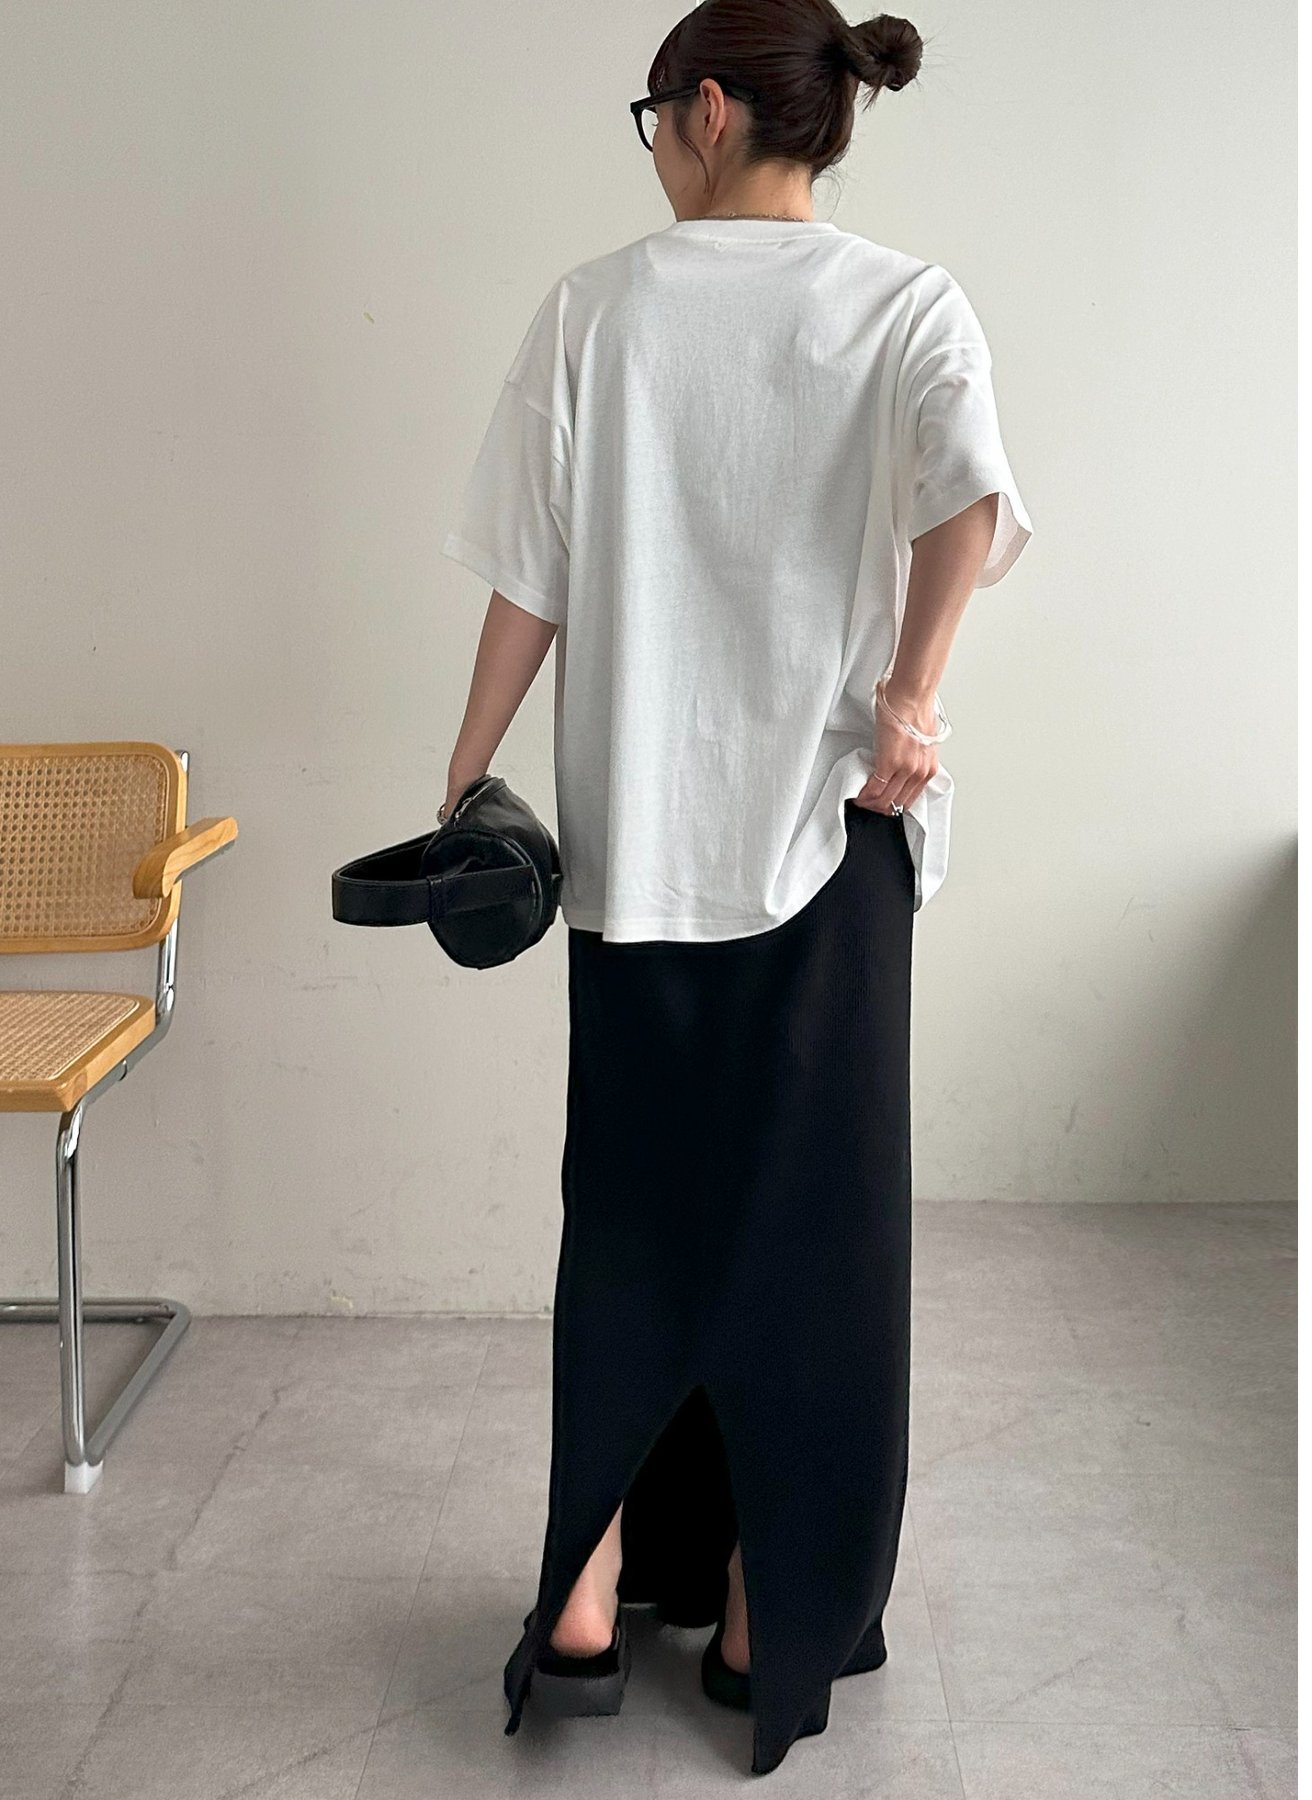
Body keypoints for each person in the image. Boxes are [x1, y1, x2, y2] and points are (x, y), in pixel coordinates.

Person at [437, 0, 1033, 1777]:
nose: (652, 151)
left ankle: (588, 1597)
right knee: (817, 1240)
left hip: (636, 851)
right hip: (833, 843)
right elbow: (971, 502)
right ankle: (773, 1609)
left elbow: (528, 577)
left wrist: (464, 773)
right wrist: (913, 700)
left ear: (706, 110)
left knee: (630, 1217)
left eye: (653, 119)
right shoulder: (907, 303)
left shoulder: (594, 310)